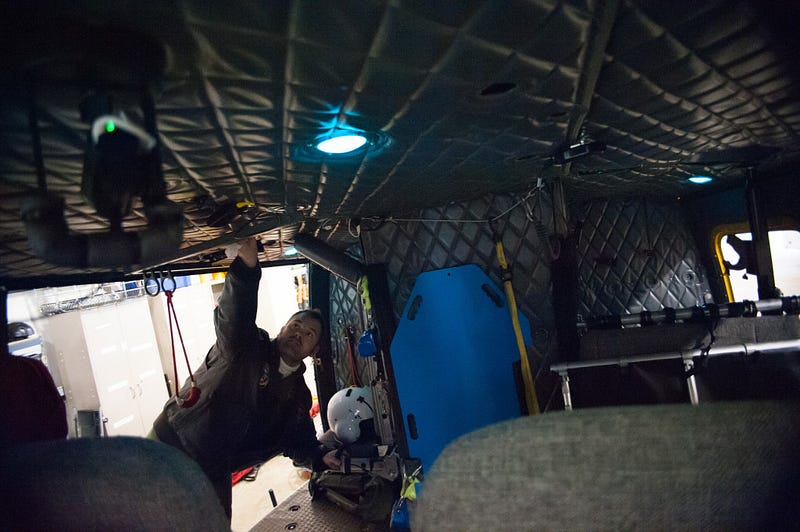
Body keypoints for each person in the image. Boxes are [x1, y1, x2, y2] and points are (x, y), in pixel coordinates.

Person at [150, 237, 341, 519]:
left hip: (214, 465)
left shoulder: (297, 397)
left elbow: (297, 440)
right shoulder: (246, 346)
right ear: (283, 328)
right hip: (172, 444)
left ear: (313, 351)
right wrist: (247, 269)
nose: (299, 333)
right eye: (296, 325)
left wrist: (318, 457)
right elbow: (234, 317)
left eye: (309, 334)